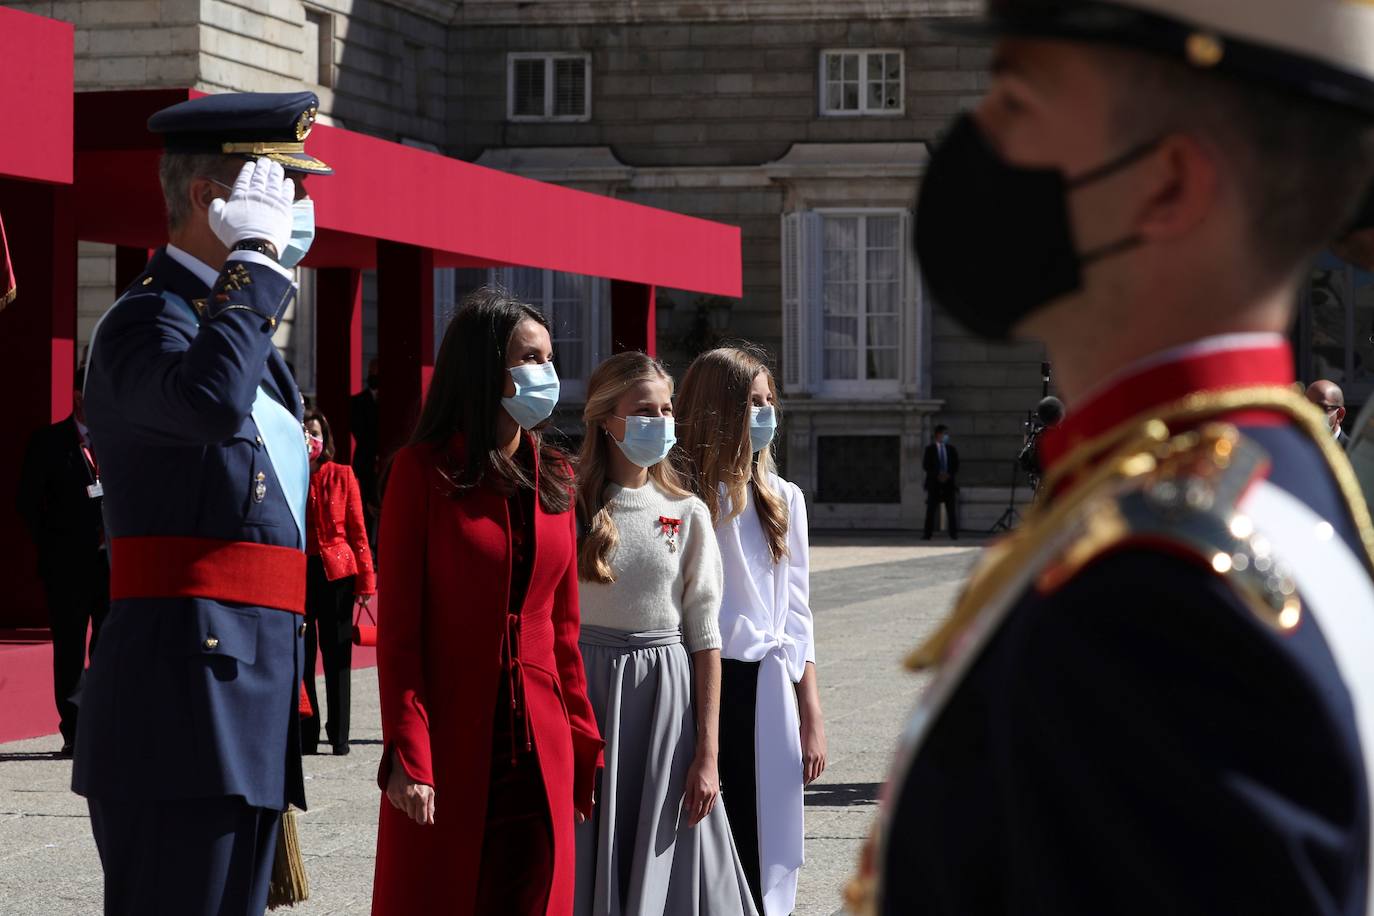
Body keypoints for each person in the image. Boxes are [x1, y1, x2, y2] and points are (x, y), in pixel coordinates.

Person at [848, 3, 1374, 914]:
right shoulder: (1281, 479)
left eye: (1015, 99)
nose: (975, 137)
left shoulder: (1155, 609)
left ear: (1167, 184)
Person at [72, 91, 331, 916]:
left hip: (243, 693)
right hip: (179, 703)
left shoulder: (229, 327)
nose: (293, 207)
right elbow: (212, 404)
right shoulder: (146, 323)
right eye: (274, 186)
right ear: (206, 200)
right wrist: (255, 261)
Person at [372, 287, 603, 916]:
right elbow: (400, 631)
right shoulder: (421, 472)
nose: (546, 374)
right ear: (484, 367)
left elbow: (563, 629)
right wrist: (408, 749)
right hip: (452, 735)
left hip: (540, 741)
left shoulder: (555, 472)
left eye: (550, 359)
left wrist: (584, 736)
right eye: (529, 358)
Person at [573, 351, 757, 916]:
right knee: (589, 852)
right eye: (644, 410)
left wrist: (708, 752)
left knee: (670, 853)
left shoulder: (689, 512)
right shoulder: (568, 506)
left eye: (667, 409)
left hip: (664, 703)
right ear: (608, 419)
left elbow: (705, 639)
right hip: (587, 695)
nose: (662, 421)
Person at [675, 346, 826, 916]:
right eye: (751, 403)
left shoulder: (784, 499)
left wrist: (810, 710)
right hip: (703, 684)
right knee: (711, 838)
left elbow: (797, 612)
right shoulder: (686, 498)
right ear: (719, 409)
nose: (764, 414)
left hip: (768, 686)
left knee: (769, 840)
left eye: (769, 402)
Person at [16, 363, 110, 757]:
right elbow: (27, 504)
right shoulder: (49, 441)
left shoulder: (117, 440)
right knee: (70, 648)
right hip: (67, 565)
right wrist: (52, 547)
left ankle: (105, 726)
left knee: (108, 646)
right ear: (77, 396)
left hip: (112, 565)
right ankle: (75, 729)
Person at [301, 406, 375, 756]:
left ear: (324, 438)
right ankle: (307, 730)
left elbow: (359, 531)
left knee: (337, 655)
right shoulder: (293, 473)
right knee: (303, 654)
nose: (310, 438)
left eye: (314, 432)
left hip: (338, 573)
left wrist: (366, 584)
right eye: (304, 432)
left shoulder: (342, 474)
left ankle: (339, 734)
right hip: (302, 570)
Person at [351, 358, 381, 542]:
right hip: (365, 463)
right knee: (364, 508)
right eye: (371, 371)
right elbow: (360, 432)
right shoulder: (357, 403)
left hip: (383, 462)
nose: (374, 375)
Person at [921, 425, 959, 540]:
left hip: (948, 483)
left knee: (951, 510)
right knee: (931, 510)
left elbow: (956, 465)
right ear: (938, 435)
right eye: (944, 434)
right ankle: (927, 534)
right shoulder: (930, 449)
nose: (946, 436)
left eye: (947, 434)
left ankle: (953, 533)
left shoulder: (951, 449)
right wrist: (938, 475)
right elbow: (926, 465)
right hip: (934, 483)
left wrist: (948, 475)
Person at [1307, 379, 1350, 448]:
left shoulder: (1353, 454)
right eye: (1306, 407)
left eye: (1320, 408)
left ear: (1340, 414)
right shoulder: (1297, 451)